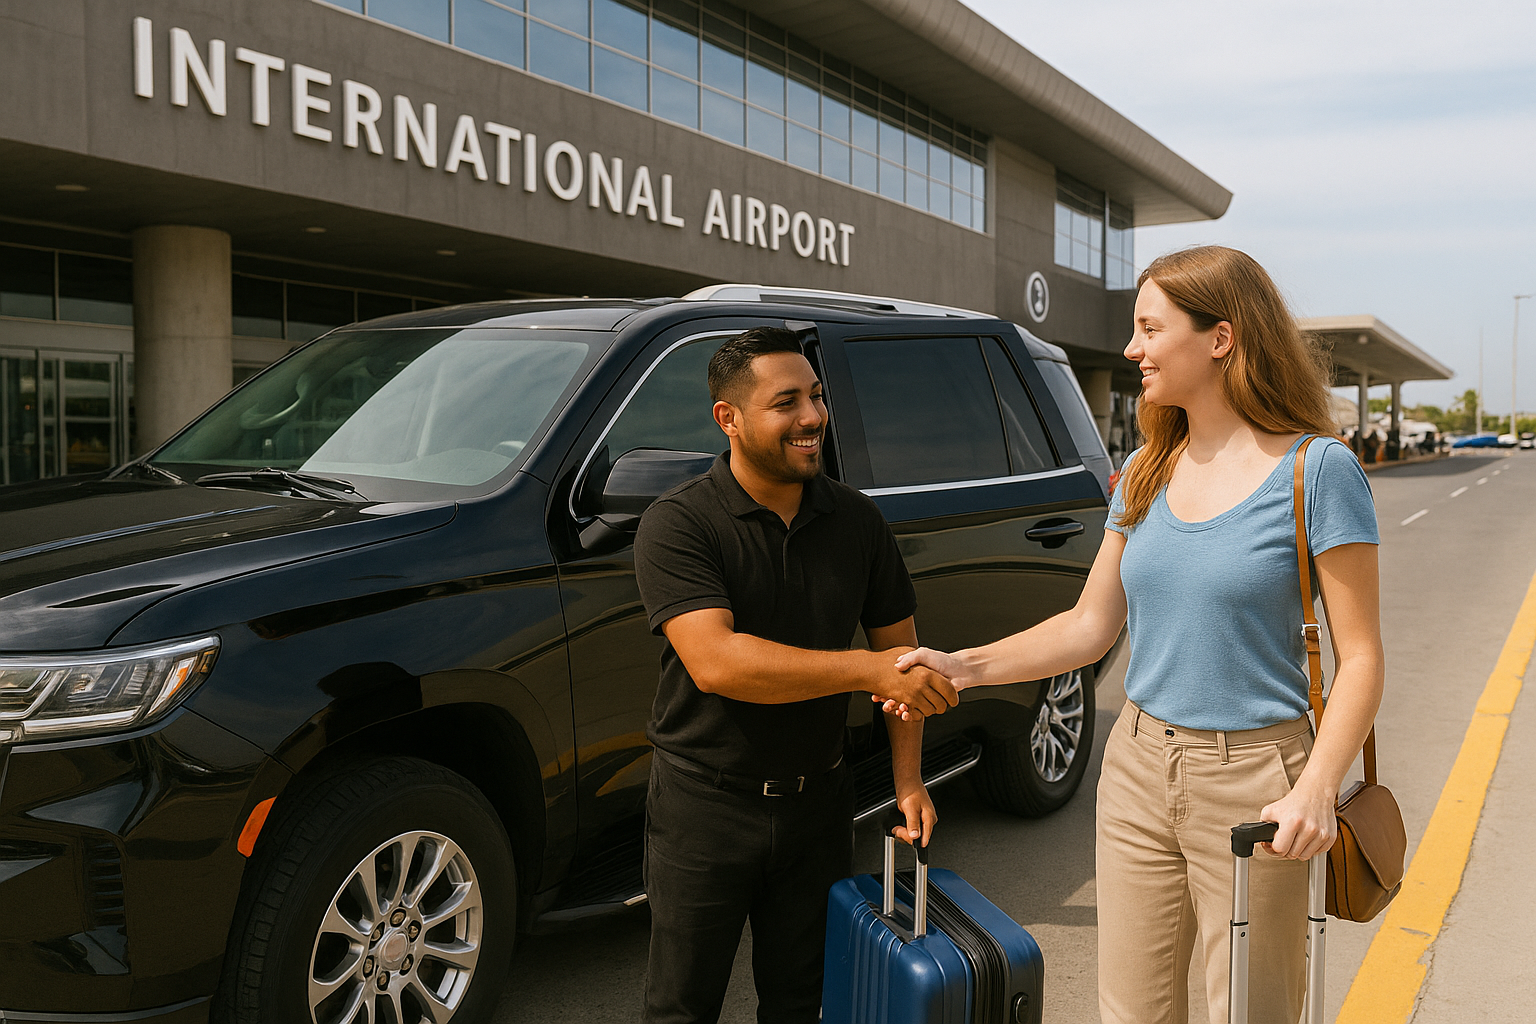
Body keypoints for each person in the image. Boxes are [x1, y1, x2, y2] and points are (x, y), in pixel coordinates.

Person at [883, 246, 1384, 1024]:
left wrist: (1317, 785)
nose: (1131, 349)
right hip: (1139, 769)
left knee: (1251, 1012)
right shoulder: (1148, 467)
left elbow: (1362, 658)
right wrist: (962, 665)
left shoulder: (1317, 471)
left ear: (1220, 338)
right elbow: (1089, 627)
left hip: (1256, 779)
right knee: (1132, 1013)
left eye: (1150, 328)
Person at [632, 326, 955, 1024]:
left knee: (800, 1002)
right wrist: (869, 670)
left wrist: (906, 780)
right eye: (787, 402)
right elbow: (717, 662)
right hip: (703, 809)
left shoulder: (858, 521)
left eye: (814, 396)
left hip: (819, 807)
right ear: (730, 418)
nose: (812, 416)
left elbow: (903, 660)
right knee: (680, 1008)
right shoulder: (679, 524)